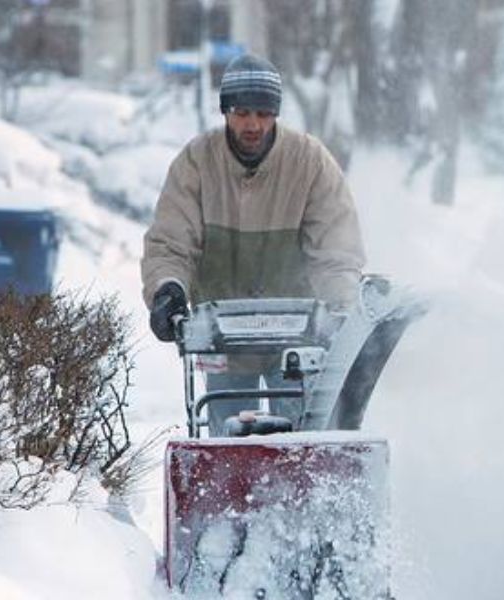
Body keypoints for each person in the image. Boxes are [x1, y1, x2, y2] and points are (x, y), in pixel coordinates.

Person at [141, 54, 366, 434]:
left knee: (300, 440)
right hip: (220, 339)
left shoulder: (309, 162)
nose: (252, 124)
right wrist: (168, 289)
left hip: (297, 336)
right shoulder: (197, 162)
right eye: (242, 112)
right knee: (225, 443)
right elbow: (170, 243)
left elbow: (335, 253)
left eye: (262, 113)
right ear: (226, 111)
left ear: (275, 113)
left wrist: (343, 305)